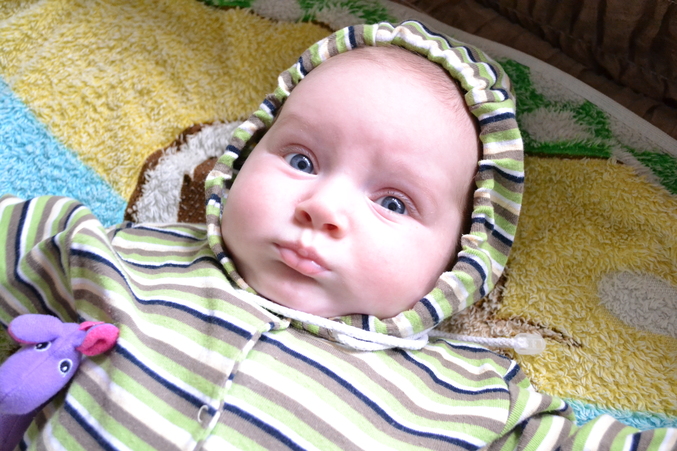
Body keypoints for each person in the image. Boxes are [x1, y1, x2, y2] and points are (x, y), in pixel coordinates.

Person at [0, 20, 674, 451]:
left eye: (393, 201)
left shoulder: (469, 394)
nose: (322, 206)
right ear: (241, 157)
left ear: (462, 256)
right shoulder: (126, 259)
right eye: (301, 160)